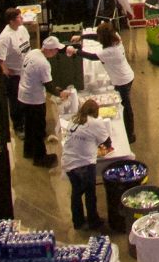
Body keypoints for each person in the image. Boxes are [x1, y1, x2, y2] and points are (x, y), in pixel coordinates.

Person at [60, 99, 116, 230]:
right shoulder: (95, 122)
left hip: (69, 162)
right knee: (90, 193)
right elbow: (106, 141)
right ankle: (93, 220)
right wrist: (107, 147)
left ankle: (77, 221)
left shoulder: (74, 120)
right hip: (84, 163)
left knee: (76, 192)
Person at [17, 37, 61, 163]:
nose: (57, 52)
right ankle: (40, 157)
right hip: (34, 99)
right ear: (51, 50)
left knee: (29, 126)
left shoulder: (33, 52)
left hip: (23, 94)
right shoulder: (44, 64)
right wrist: (60, 93)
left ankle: (28, 151)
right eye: (56, 50)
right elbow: (48, 85)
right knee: (38, 128)